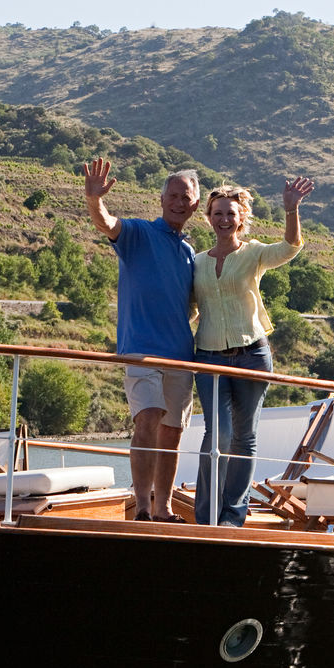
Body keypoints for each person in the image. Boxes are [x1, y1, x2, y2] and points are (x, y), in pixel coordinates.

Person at [191, 176, 313, 526]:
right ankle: (207, 515)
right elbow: (190, 309)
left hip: (252, 355)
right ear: (209, 217)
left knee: (244, 438)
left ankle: (232, 516)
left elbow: (290, 247)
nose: (224, 219)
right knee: (217, 435)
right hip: (209, 356)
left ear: (241, 217)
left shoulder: (254, 253)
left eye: (230, 213)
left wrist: (291, 209)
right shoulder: (196, 262)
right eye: (217, 213)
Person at [83, 156, 198, 521]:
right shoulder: (138, 233)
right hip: (141, 352)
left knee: (172, 433)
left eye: (186, 197)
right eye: (173, 195)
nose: (179, 202)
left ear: (195, 204)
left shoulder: (190, 253)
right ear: (161, 200)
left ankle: (164, 508)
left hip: (181, 356)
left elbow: (190, 306)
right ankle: (143, 508)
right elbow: (106, 223)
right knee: (147, 418)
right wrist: (94, 199)